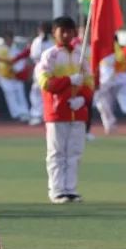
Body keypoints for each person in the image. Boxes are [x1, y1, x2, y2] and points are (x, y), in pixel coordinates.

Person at [37, 17, 93, 204]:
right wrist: (69, 81)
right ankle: (56, 189)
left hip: (77, 111)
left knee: (74, 152)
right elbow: (46, 83)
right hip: (57, 111)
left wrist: (81, 98)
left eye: (70, 31)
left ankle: (70, 188)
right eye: (63, 31)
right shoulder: (49, 56)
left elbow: (90, 83)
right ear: (55, 33)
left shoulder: (81, 54)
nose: (67, 35)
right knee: (56, 152)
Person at [0, 33, 30, 122]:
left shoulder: (17, 50)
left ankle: (25, 113)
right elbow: (0, 63)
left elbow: (21, 61)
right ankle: (16, 114)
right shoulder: (1, 50)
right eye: (7, 39)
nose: (8, 41)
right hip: (5, 76)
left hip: (16, 76)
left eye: (10, 39)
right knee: (11, 95)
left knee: (20, 94)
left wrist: (17, 70)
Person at [28, 22, 54, 126]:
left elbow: (34, 55)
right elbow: (34, 55)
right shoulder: (40, 41)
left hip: (45, 69)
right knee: (36, 92)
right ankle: (37, 115)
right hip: (42, 69)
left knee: (40, 92)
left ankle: (40, 114)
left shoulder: (40, 41)